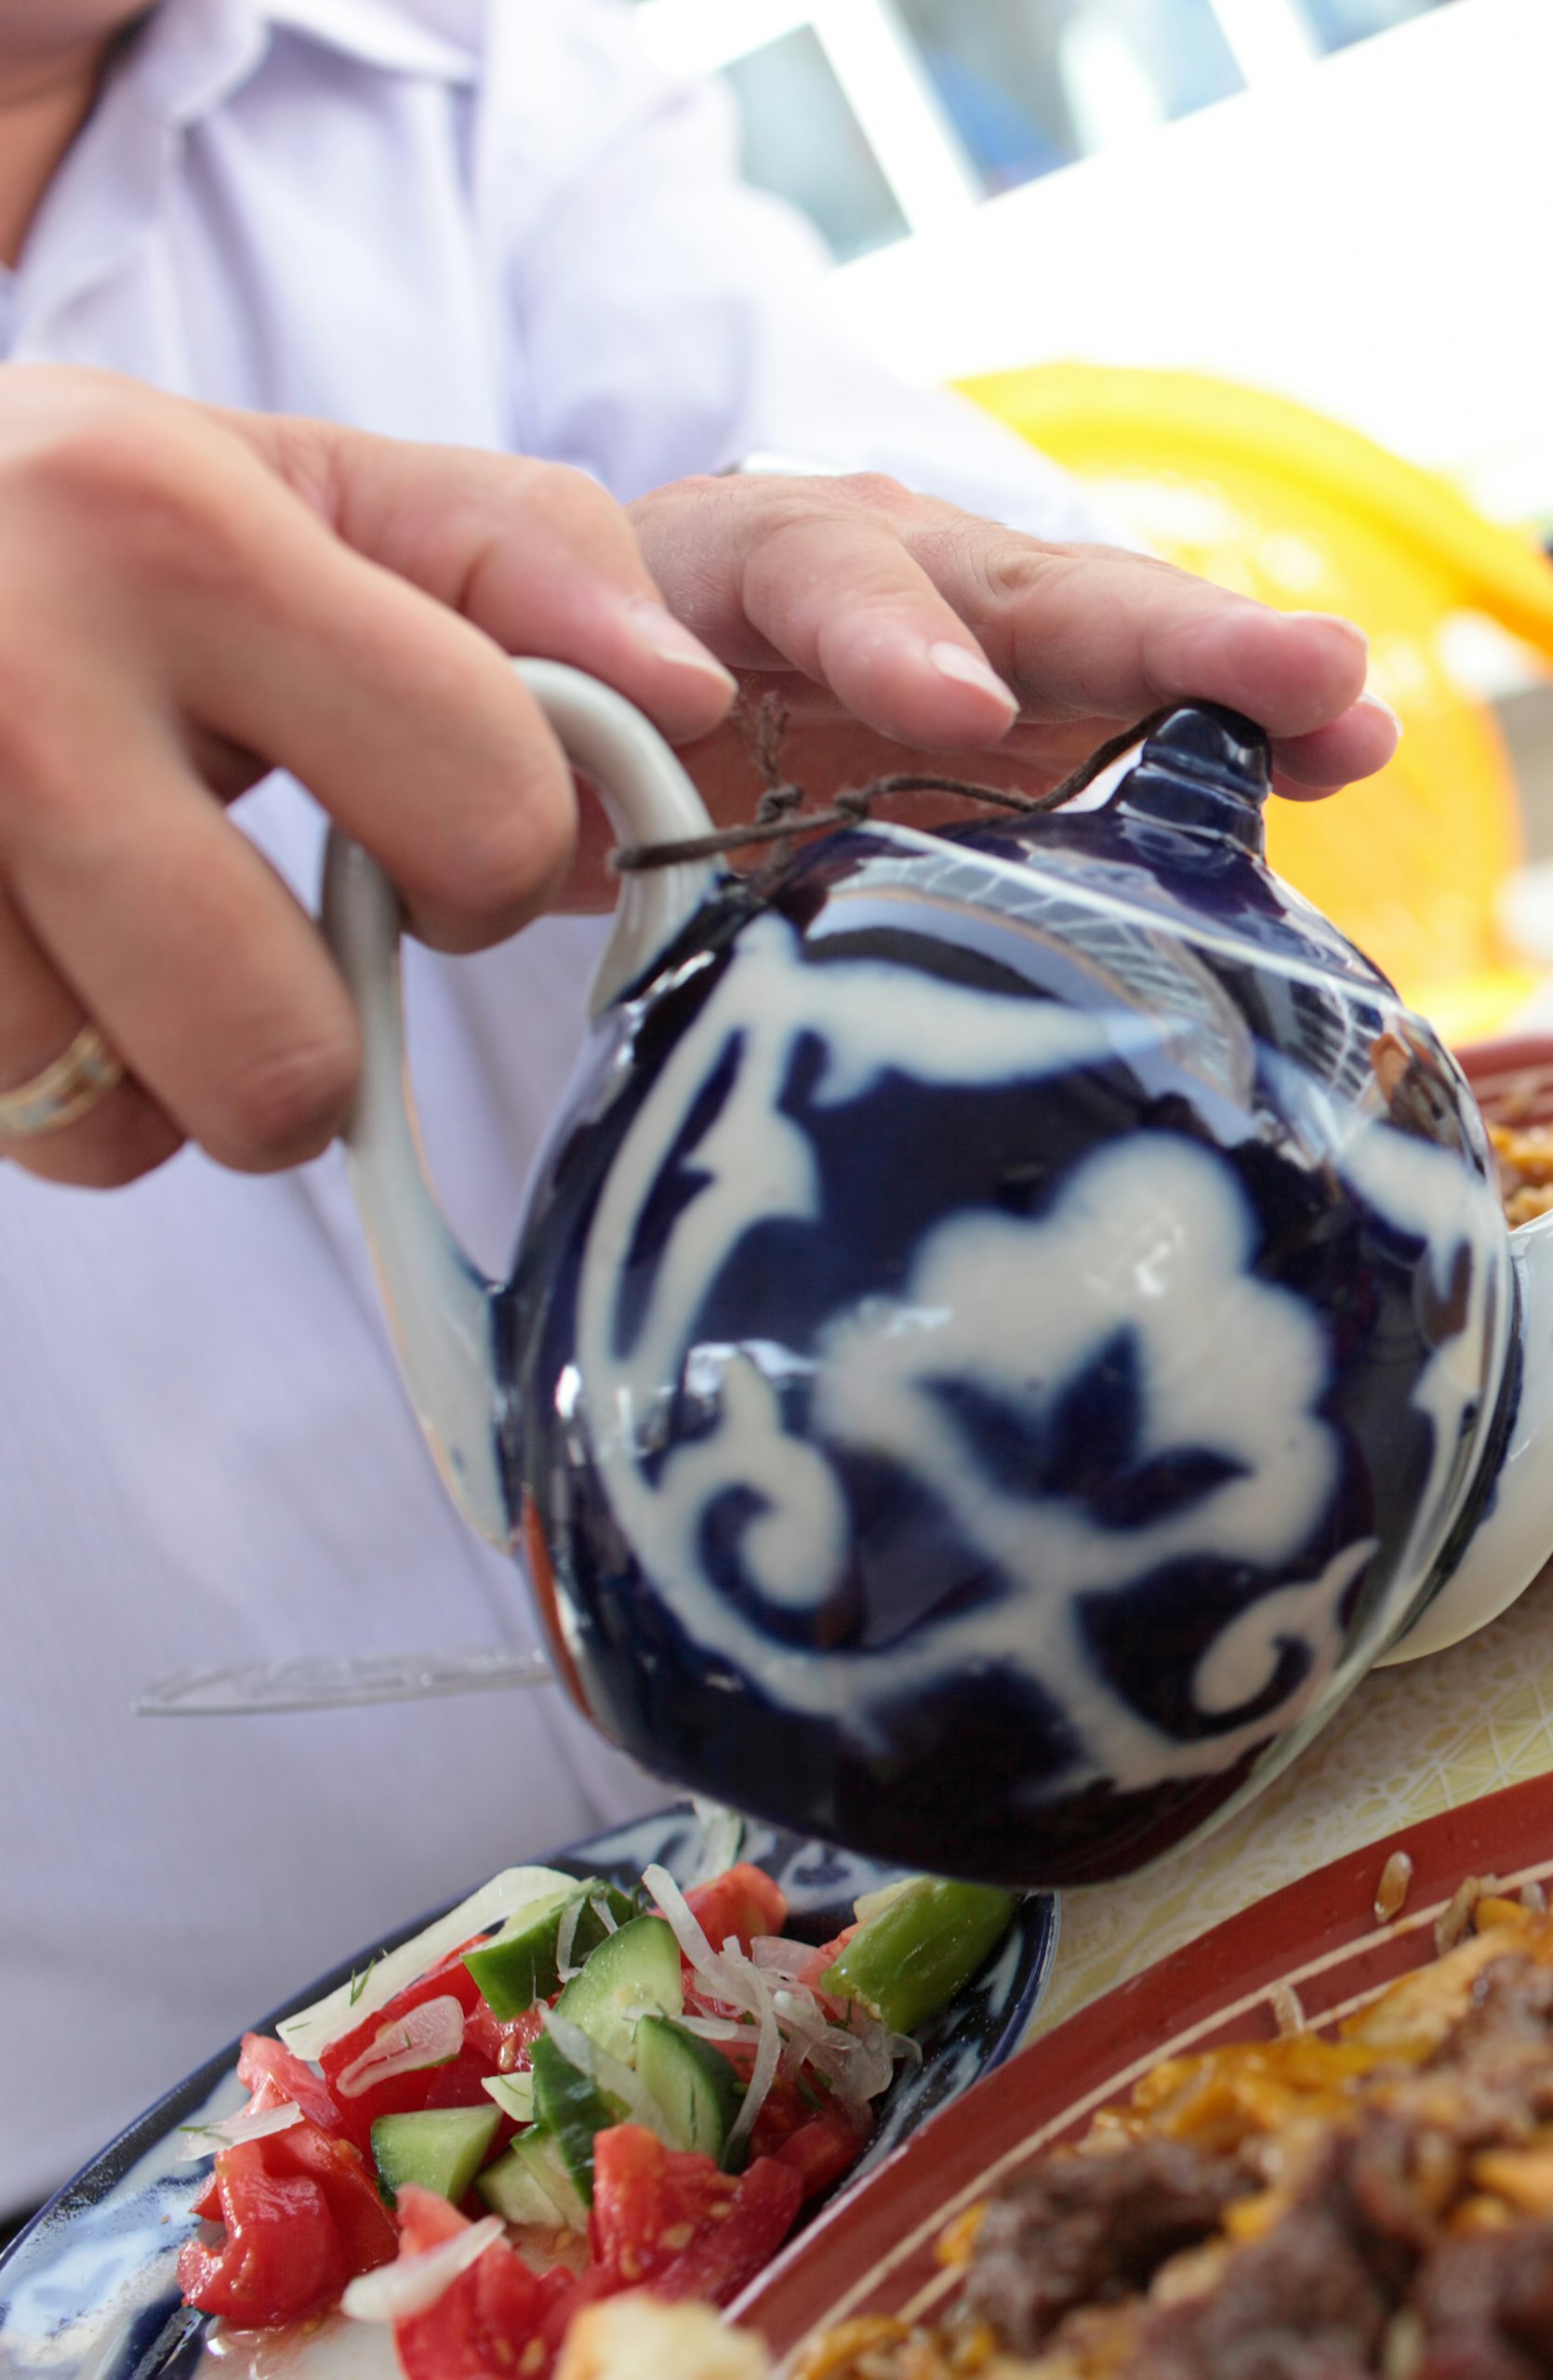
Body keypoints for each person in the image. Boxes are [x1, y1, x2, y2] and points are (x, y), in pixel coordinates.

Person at [0, 0, 1393, 2211]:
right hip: (114, 2234)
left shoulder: (446, 80)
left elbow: (842, 542)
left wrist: (862, 682)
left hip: (1046, 1949)